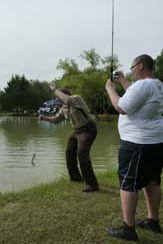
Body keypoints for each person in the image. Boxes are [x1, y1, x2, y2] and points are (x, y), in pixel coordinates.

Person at [105, 54, 163, 241]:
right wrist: (123, 80)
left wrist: (110, 89)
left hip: (137, 144)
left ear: (139, 66)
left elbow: (122, 107)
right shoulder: (157, 85)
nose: (131, 71)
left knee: (128, 182)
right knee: (152, 181)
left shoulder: (143, 85)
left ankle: (128, 229)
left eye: (131, 68)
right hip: (155, 142)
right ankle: (153, 221)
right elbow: (136, 98)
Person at [39, 84, 99, 193]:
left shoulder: (76, 98)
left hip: (88, 129)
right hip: (77, 131)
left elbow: (67, 99)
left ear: (64, 95)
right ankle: (75, 177)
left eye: (59, 97)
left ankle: (92, 184)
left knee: (82, 154)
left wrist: (55, 89)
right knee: (69, 151)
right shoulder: (64, 108)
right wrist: (44, 118)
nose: (58, 100)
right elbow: (56, 120)